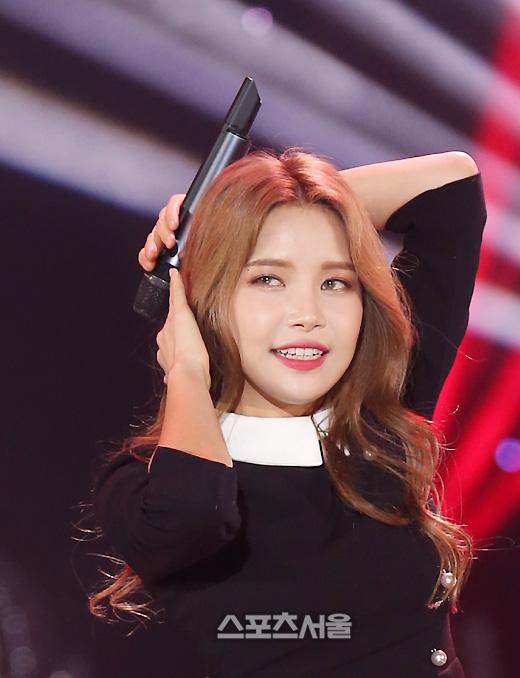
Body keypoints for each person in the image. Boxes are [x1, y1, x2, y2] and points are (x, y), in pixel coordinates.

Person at [90, 149, 486, 678]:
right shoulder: (141, 485)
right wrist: (187, 367)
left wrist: (254, 210)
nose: (308, 315)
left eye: (335, 282)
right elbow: (193, 514)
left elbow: (452, 193)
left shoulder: (376, 415)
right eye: (268, 279)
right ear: (206, 297)